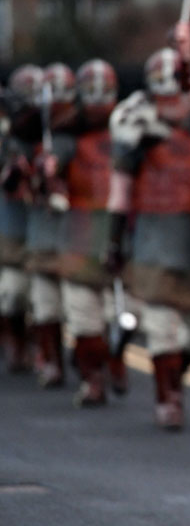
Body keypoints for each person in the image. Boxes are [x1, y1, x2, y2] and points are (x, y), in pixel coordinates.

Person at [106, 22, 190, 429]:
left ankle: (176, 376)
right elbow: (120, 188)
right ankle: (167, 397)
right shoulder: (134, 119)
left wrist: (188, 58)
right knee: (161, 326)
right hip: (153, 233)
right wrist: (114, 242)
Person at [57, 59, 128, 406]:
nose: (99, 99)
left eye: (105, 91)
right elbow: (49, 176)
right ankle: (93, 377)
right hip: (81, 234)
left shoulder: (132, 130)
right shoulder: (66, 135)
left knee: (126, 316)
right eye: (92, 91)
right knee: (85, 318)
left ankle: (113, 360)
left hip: (123, 235)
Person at [27, 62, 78, 389]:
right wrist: (35, 176)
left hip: (78, 231)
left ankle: (91, 361)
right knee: (46, 304)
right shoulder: (28, 134)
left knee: (84, 309)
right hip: (45, 228)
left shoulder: (85, 133)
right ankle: (52, 361)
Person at [0, 64, 43, 374]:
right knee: (13, 291)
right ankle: (14, 338)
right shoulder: (6, 135)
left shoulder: (56, 131)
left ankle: (42, 346)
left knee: (44, 297)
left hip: (46, 221)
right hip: (11, 221)